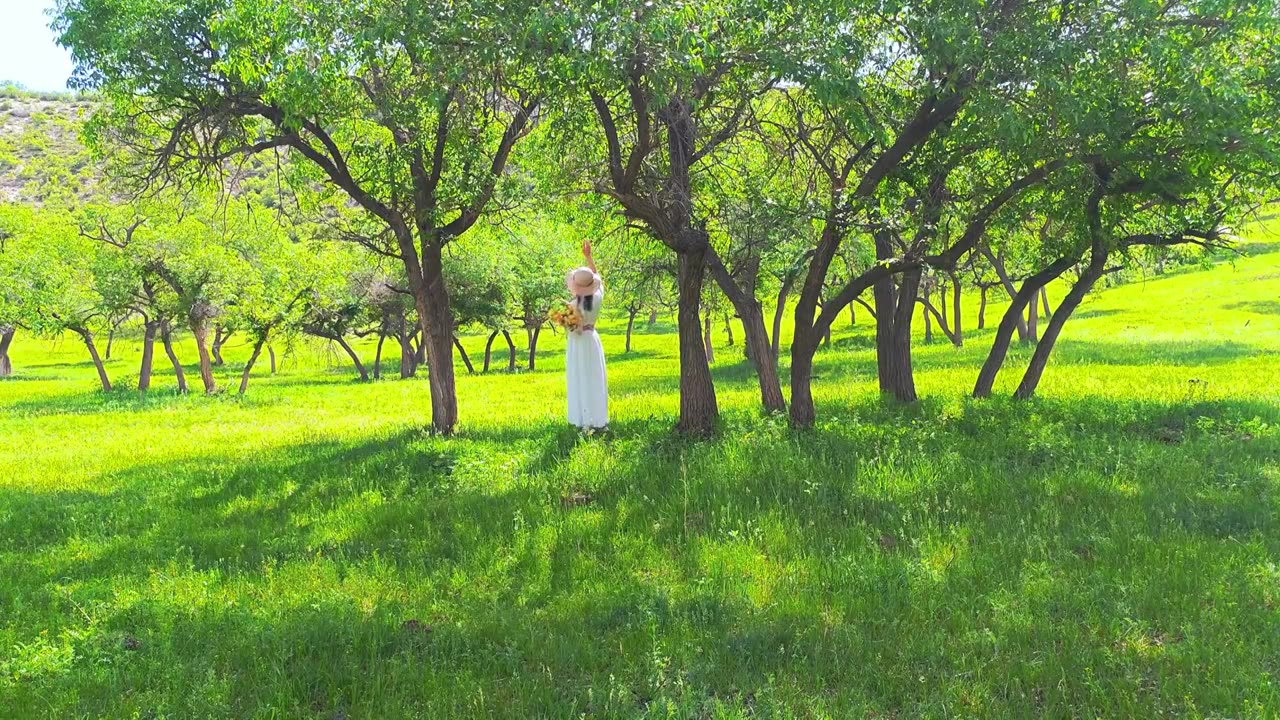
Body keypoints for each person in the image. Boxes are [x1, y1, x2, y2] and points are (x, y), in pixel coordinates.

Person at [565, 240, 608, 431]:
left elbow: (570, 329)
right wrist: (589, 257)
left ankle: (584, 421)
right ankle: (598, 420)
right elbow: (597, 279)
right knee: (594, 377)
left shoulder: (573, 306)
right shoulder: (596, 299)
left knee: (580, 377)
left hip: (578, 343)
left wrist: (560, 314)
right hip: (592, 339)